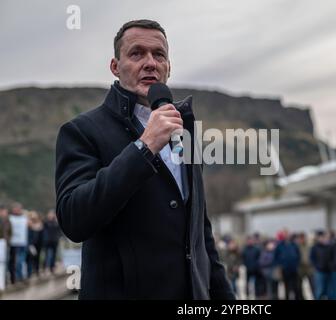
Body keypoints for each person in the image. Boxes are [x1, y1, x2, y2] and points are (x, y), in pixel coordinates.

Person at [55, 19, 234, 300]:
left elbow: (200, 234)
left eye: (158, 54)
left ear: (168, 67)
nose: (150, 63)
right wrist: (144, 147)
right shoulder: (82, 131)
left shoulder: (185, 132)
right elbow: (74, 219)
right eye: (137, 53)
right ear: (115, 66)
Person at [8, 202, 28, 284]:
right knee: (14, 262)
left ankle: (20, 276)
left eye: (19, 209)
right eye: (15, 209)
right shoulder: (10, 218)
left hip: (23, 242)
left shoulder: (24, 218)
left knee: (21, 261)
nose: (17, 210)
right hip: (13, 243)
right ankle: (16, 277)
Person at [42, 210, 61, 274]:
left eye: (52, 214)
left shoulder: (55, 222)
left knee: (54, 254)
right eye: (49, 214)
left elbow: (59, 230)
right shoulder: (45, 222)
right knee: (46, 254)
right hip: (47, 240)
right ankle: (45, 267)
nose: (50, 216)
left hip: (55, 240)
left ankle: (52, 267)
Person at [0, 205, 12, 291]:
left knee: (5, 262)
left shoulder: (8, 220)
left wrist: (7, 240)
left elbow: (10, 232)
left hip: (5, 244)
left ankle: (4, 282)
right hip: (1, 243)